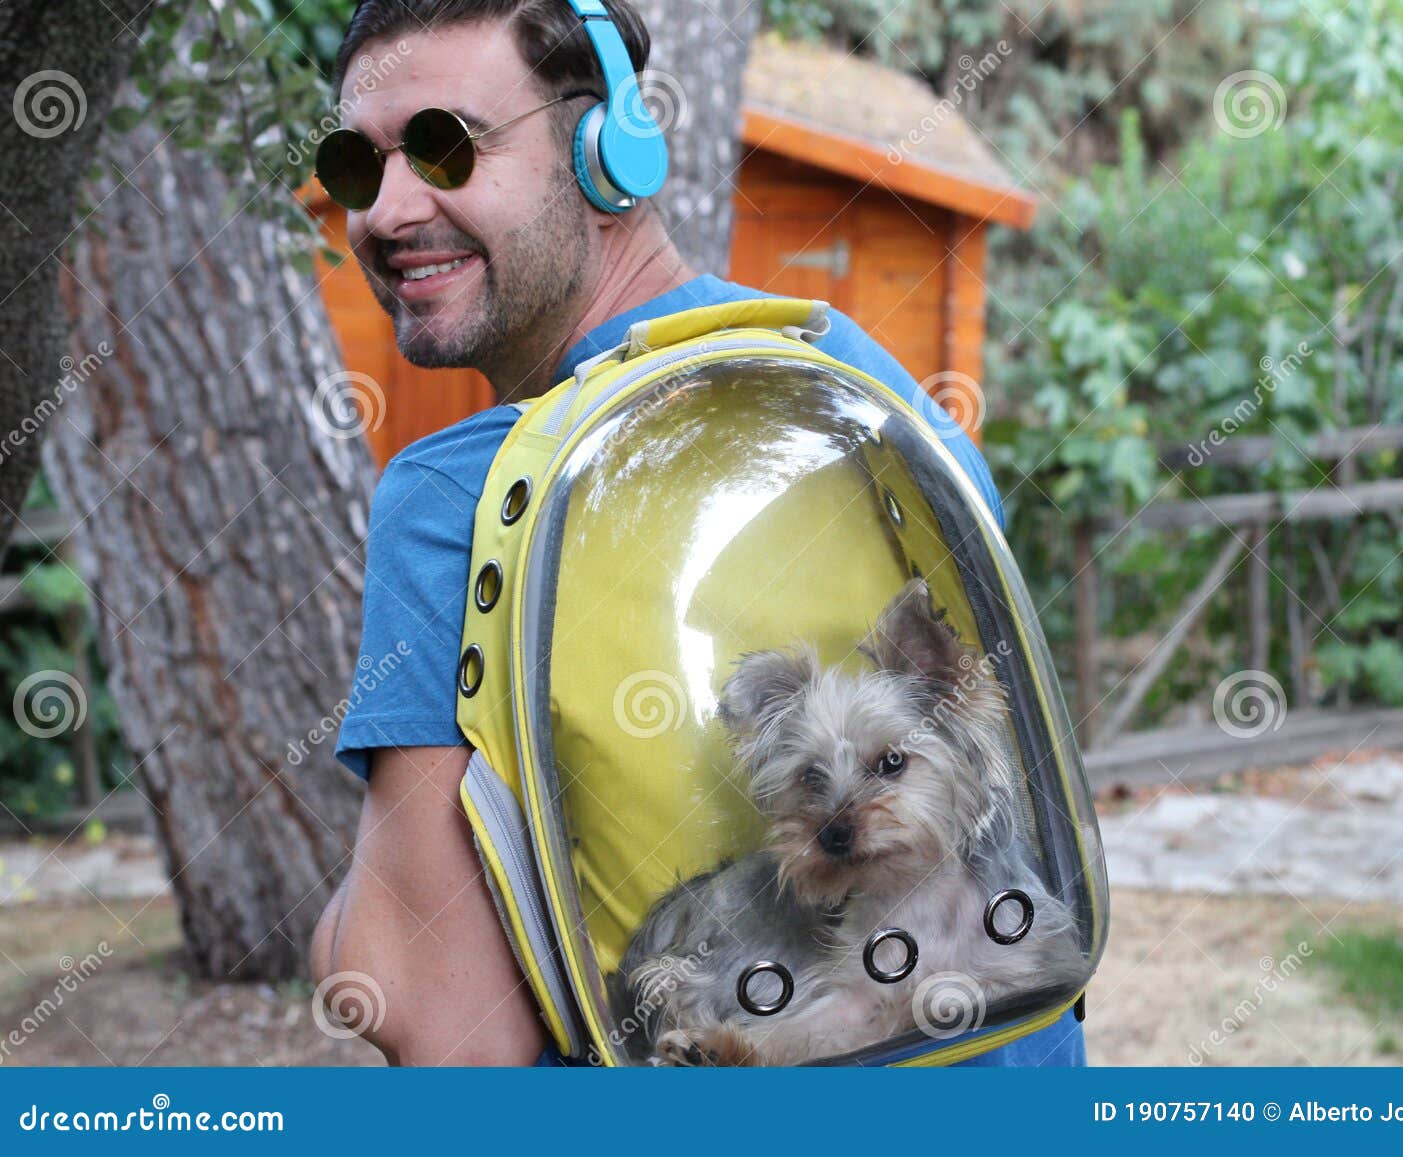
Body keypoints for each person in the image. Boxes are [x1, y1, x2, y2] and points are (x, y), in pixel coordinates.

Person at [309, 0, 1084, 1069]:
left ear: (608, 150)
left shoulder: (458, 493)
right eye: (357, 165)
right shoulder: (868, 382)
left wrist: (338, 927)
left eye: (447, 148)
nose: (387, 210)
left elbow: (441, 1027)